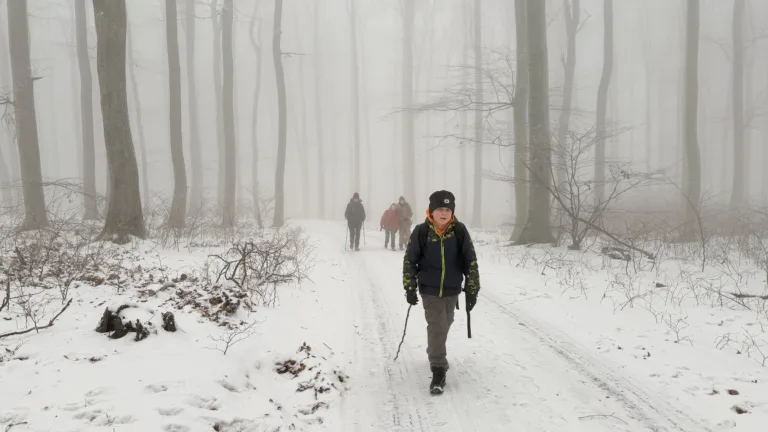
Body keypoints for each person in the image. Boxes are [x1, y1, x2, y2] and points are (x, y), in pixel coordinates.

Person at [402, 190, 480, 395]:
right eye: (439, 209)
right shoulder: (421, 232)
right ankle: (438, 369)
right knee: (437, 325)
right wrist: (409, 286)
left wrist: (472, 288)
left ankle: (434, 351)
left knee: (445, 323)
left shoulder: (459, 231)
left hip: (452, 289)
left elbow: (470, 260)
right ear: (431, 211)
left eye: (447, 209)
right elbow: (410, 261)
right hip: (429, 289)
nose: (444, 213)